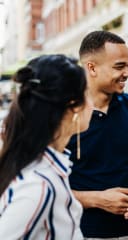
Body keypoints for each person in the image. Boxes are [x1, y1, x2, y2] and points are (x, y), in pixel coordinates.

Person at [67, 30, 128, 239]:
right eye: (119, 66)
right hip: (83, 232)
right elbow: (48, 188)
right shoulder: (63, 115)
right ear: (92, 68)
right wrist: (98, 199)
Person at [0, 54, 92, 239]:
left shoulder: (49, 166)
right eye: (87, 94)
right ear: (73, 106)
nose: (92, 103)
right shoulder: (39, 186)